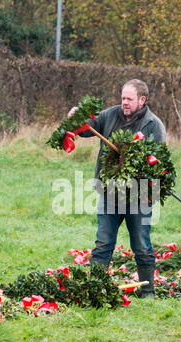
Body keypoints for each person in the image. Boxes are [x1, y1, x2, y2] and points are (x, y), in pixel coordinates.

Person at [68, 79, 166, 299]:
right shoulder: (110, 115)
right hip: (109, 193)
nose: (124, 103)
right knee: (103, 242)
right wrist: (76, 118)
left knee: (141, 245)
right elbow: (87, 129)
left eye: (129, 99)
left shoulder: (153, 125)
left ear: (142, 100)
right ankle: (95, 289)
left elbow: (159, 162)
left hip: (139, 195)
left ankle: (147, 291)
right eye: (122, 98)